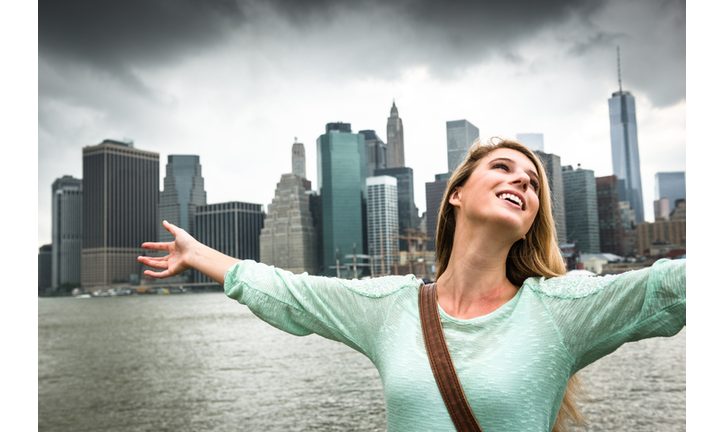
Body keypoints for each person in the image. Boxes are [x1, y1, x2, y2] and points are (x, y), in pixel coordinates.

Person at [138, 137, 686, 432]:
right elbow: (292, 293)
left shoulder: (563, 309)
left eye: (533, 182)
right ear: (456, 194)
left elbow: (672, 287)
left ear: (532, 216)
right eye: (502, 168)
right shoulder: (392, 307)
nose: (522, 179)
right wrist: (198, 253)